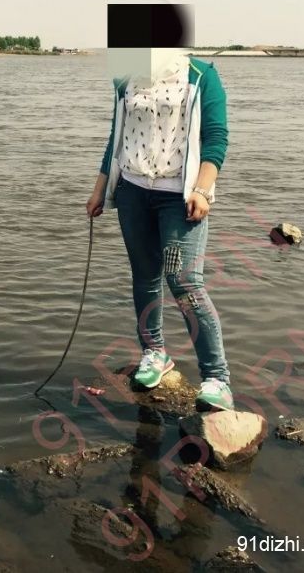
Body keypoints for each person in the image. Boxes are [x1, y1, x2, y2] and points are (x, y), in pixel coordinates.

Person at [86, 48, 233, 412]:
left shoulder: (201, 75)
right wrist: (99, 189)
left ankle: (217, 379)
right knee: (145, 276)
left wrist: (203, 190)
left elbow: (216, 139)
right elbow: (116, 137)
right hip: (132, 191)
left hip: (179, 196)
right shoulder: (125, 78)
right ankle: (155, 353)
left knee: (184, 281)